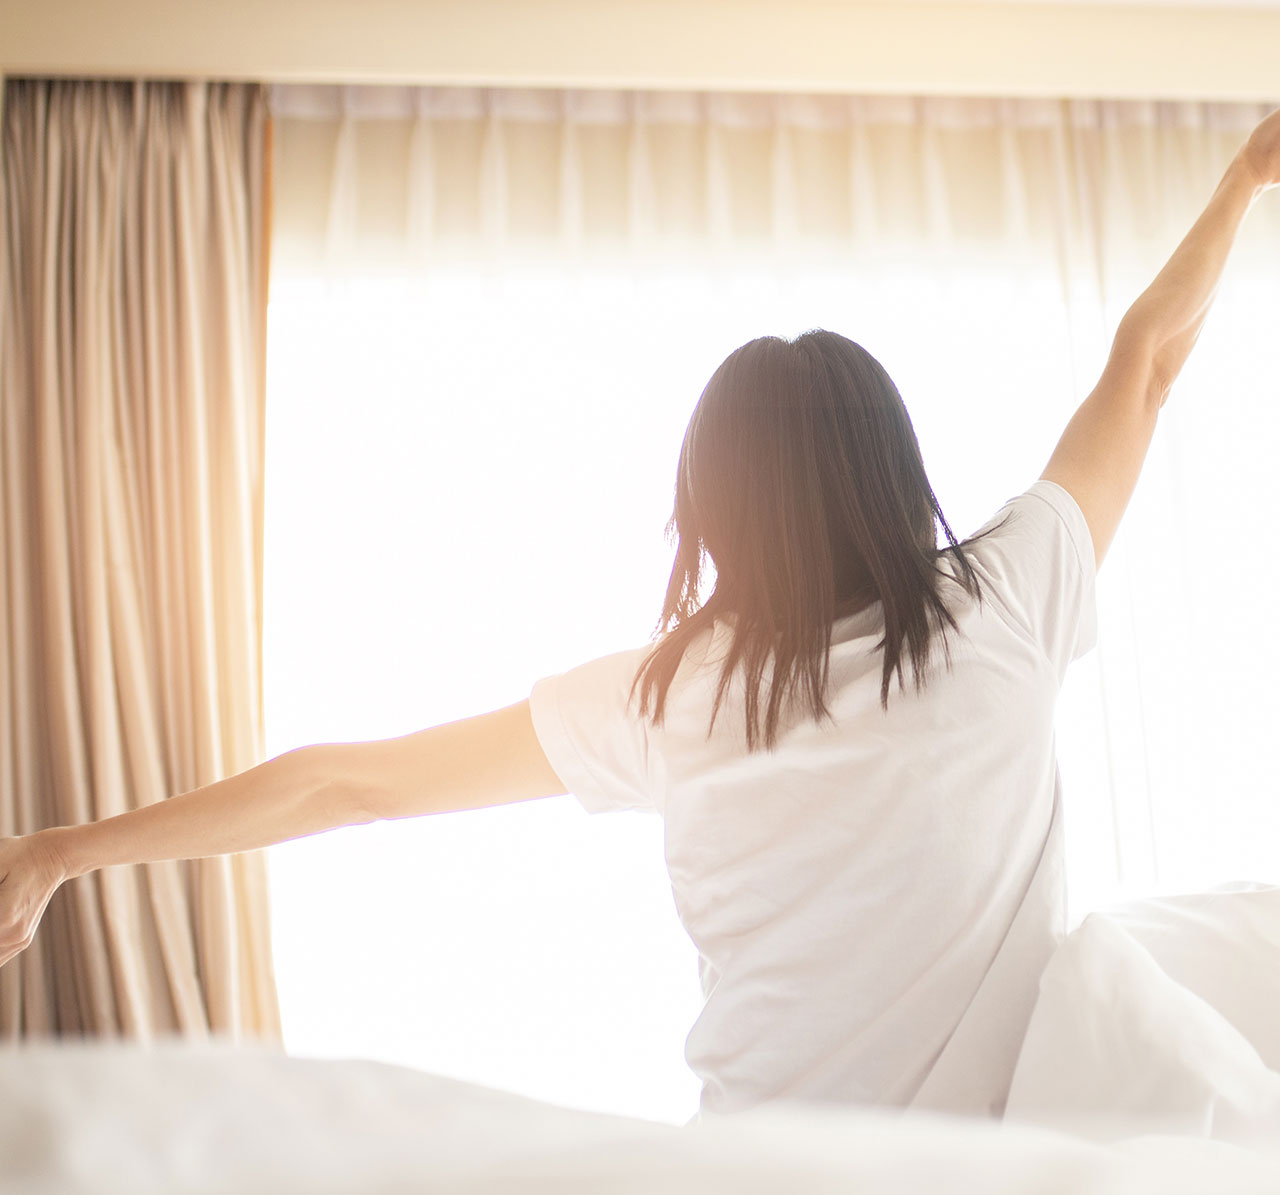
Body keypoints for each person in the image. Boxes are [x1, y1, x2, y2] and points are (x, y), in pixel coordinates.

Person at [2, 108, 1278, 1122]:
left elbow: (347, 785)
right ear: (895, 470)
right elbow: (1147, 362)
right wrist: (1240, 182)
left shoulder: (666, 698)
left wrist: (64, 849)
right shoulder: (1008, 599)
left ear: (710, 510)